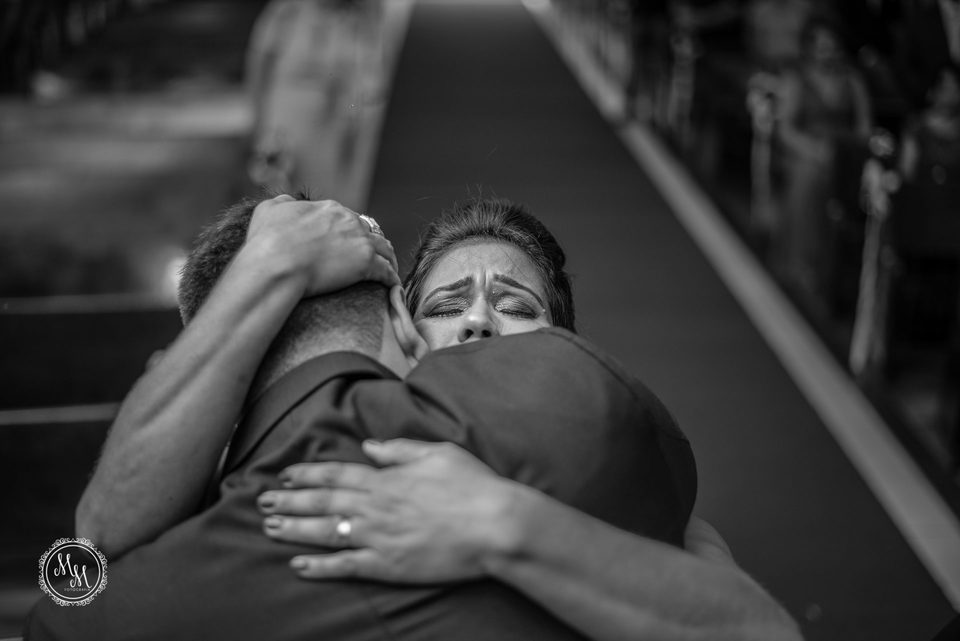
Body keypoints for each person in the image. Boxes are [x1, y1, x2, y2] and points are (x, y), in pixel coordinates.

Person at [37, 196, 800, 640]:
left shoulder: (602, 466)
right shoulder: (245, 474)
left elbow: (755, 626)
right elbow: (89, 550)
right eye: (446, 304)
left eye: (517, 305)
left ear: (567, 346)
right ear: (405, 336)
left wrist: (500, 524)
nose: (478, 321)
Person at [774, 15, 872, 296]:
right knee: (808, 177)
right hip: (806, 151)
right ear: (809, 48)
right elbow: (786, 129)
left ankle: (834, 272)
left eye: (832, 46)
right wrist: (814, 150)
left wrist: (848, 151)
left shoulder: (852, 80)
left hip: (844, 153)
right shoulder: (796, 79)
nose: (827, 53)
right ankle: (800, 265)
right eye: (821, 46)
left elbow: (864, 127)